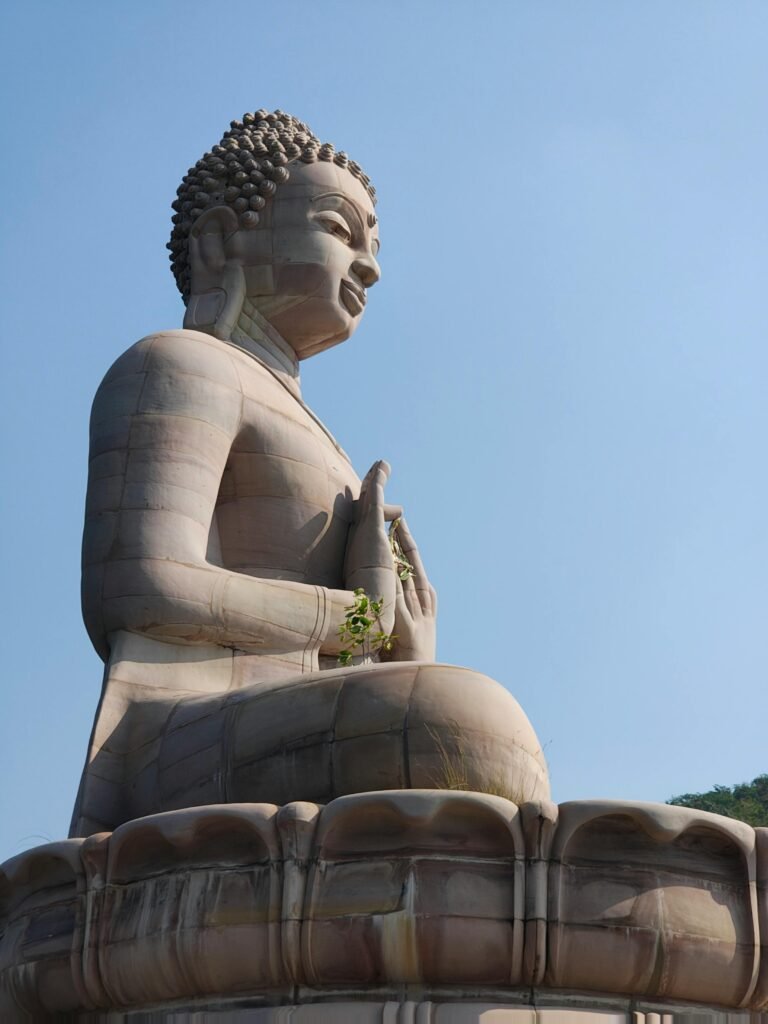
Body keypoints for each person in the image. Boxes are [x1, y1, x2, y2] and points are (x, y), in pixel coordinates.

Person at [71, 111, 548, 837]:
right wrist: (357, 619)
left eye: (374, 246)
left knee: (479, 737)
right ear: (222, 239)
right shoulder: (177, 366)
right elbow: (139, 583)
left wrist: (398, 655)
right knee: (468, 724)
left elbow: (354, 643)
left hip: (297, 715)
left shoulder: (318, 432)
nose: (370, 266)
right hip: (183, 724)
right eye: (339, 230)